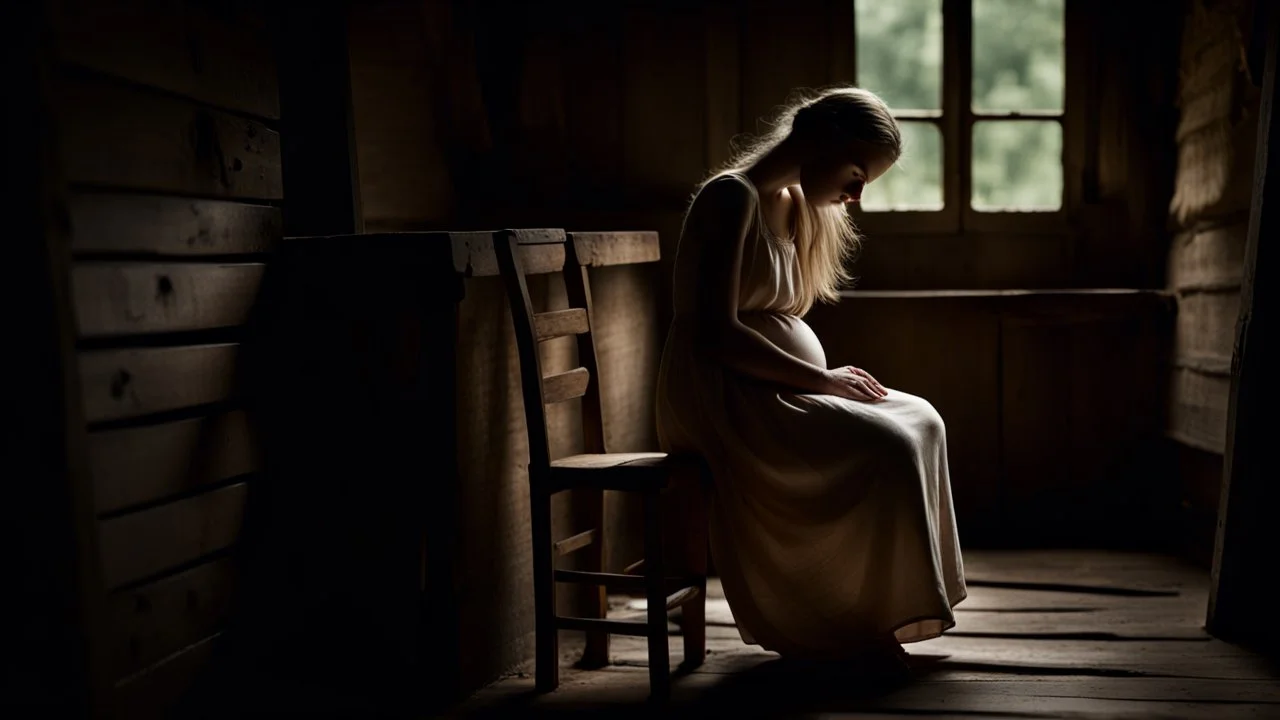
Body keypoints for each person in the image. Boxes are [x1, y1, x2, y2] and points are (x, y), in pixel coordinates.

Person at [655, 86, 967, 670]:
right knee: (889, 444)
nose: (856, 195)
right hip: (721, 391)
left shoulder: (793, 202)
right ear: (819, 143)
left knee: (923, 419)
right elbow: (714, 333)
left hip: (773, 383)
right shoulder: (731, 198)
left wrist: (821, 379)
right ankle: (851, 624)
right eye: (856, 174)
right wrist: (823, 383)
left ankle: (889, 609)